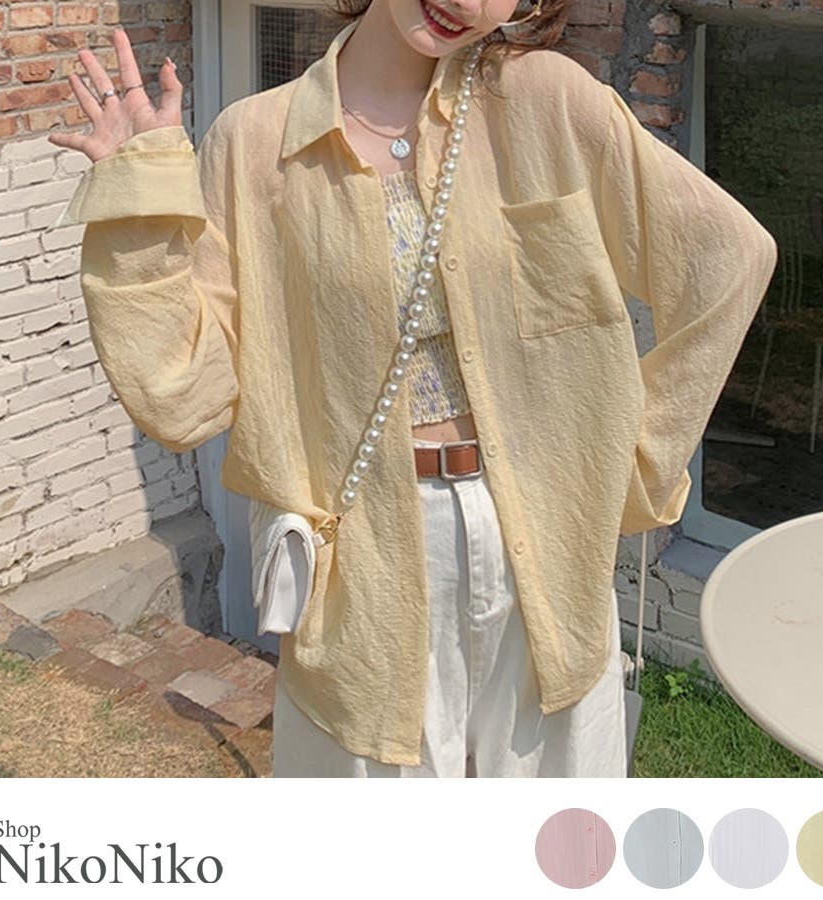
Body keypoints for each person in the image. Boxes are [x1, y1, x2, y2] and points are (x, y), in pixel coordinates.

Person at [47, 0, 778, 777]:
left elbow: (727, 261)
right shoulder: (257, 143)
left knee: (558, 816)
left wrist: (635, 465)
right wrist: (137, 211)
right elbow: (180, 396)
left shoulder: (547, 102)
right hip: (366, 555)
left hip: (545, 537)